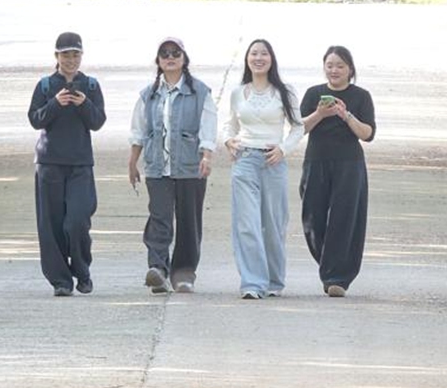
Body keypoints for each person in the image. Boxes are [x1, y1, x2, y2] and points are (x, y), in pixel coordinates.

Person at [128, 36, 217, 294]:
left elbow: (208, 126)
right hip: (157, 166)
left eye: (175, 53)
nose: (170, 57)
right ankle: (158, 269)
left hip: (191, 165)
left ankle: (184, 272)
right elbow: (139, 130)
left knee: (189, 220)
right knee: (159, 218)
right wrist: (133, 161)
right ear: (157, 60)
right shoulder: (149, 94)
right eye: (164, 53)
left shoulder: (200, 92)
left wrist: (207, 155)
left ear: (184, 58)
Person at [28, 31, 106, 296]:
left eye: (75, 55)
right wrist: (55, 104)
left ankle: (82, 271)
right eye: (65, 55)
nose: (71, 60)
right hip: (49, 163)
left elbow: (97, 122)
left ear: (81, 56)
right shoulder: (46, 86)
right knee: (51, 225)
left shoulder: (92, 86)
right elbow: (36, 119)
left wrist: (83, 104)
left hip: (80, 164)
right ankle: (60, 280)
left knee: (77, 221)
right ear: (56, 57)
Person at [223, 38, 303, 298]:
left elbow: (298, 126)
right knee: (246, 224)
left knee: (273, 223)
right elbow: (230, 125)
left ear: (271, 59)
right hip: (244, 160)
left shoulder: (284, 91)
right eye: (254, 54)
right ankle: (252, 284)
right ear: (247, 59)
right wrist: (228, 140)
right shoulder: (238, 92)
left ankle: (274, 281)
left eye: (264, 54)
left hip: (273, 161)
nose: (258, 58)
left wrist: (283, 149)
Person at [299, 45, 375, 297]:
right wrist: (320, 113)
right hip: (316, 161)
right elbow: (299, 128)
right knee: (313, 218)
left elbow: (367, 134)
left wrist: (346, 115)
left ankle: (337, 278)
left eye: (340, 66)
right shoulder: (313, 94)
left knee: (345, 220)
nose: (334, 70)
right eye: (330, 65)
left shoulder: (361, 96)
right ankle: (328, 264)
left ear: (350, 70)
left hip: (349, 164)